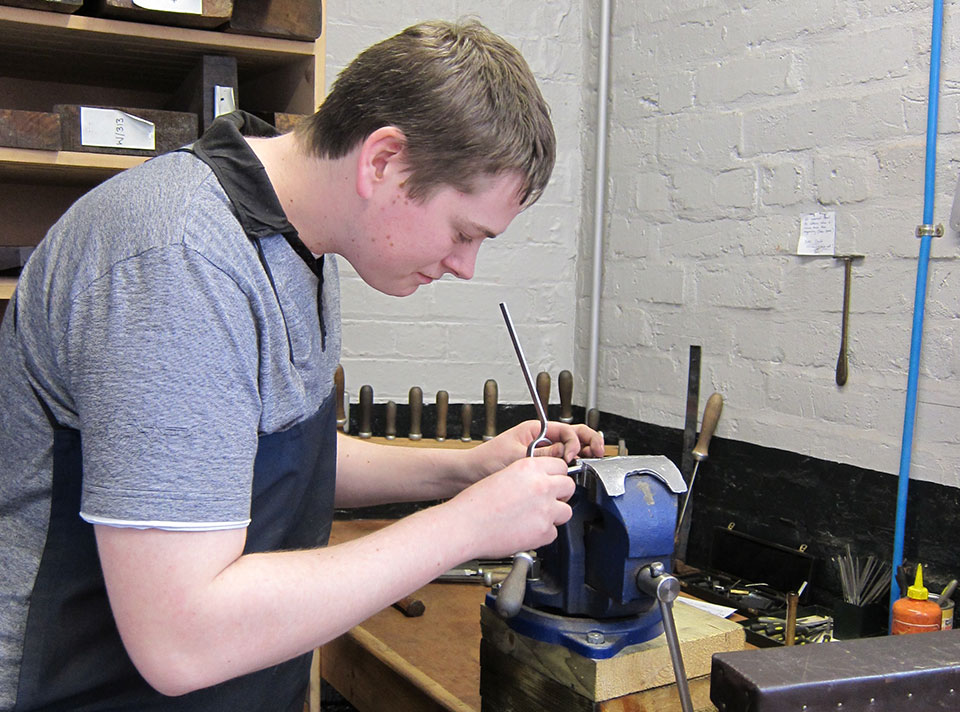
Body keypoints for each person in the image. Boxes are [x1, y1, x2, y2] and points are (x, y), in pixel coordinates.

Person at [0, 18, 604, 712]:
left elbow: (258, 457)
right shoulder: (179, 260)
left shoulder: (301, 246)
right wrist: (468, 524)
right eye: (464, 232)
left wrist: (466, 468)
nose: (466, 266)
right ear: (384, 163)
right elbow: (180, 639)